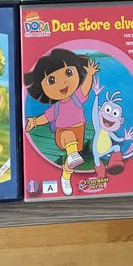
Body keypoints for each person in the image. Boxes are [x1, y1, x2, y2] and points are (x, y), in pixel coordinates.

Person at [24, 48, 99, 196]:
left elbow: (85, 88)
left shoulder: (77, 97)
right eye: (51, 81)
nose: (63, 83)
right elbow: (46, 117)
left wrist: (90, 74)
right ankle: (72, 156)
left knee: (71, 162)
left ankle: (65, 177)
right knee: (69, 138)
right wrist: (34, 122)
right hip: (62, 134)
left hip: (80, 131)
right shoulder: (56, 107)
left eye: (68, 73)